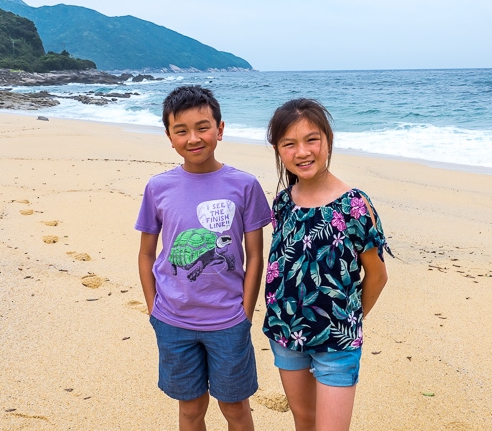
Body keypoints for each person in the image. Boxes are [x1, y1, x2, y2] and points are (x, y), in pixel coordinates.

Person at [136, 85, 271, 431]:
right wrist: (154, 308)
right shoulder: (158, 187)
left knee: (235, 408)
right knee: (191, 409)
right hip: (173, 319)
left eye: (203, 127)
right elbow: (147, 253)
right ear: (169, 136)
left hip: (228, 320)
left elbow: (255, 254)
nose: (193, 138)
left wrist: (245, 309)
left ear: (220, 129)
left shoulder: (244, 185)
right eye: (181, 130)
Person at [263, 98, 390, 431]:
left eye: (311, 140)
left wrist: (348, 320)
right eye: (289, 143)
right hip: (285, 332)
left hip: (338, 342)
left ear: (328, 142)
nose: (302, 151)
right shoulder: (282, 203)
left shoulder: (355, 205)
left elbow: (377, 276)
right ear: (278, 150)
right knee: (304, 420)